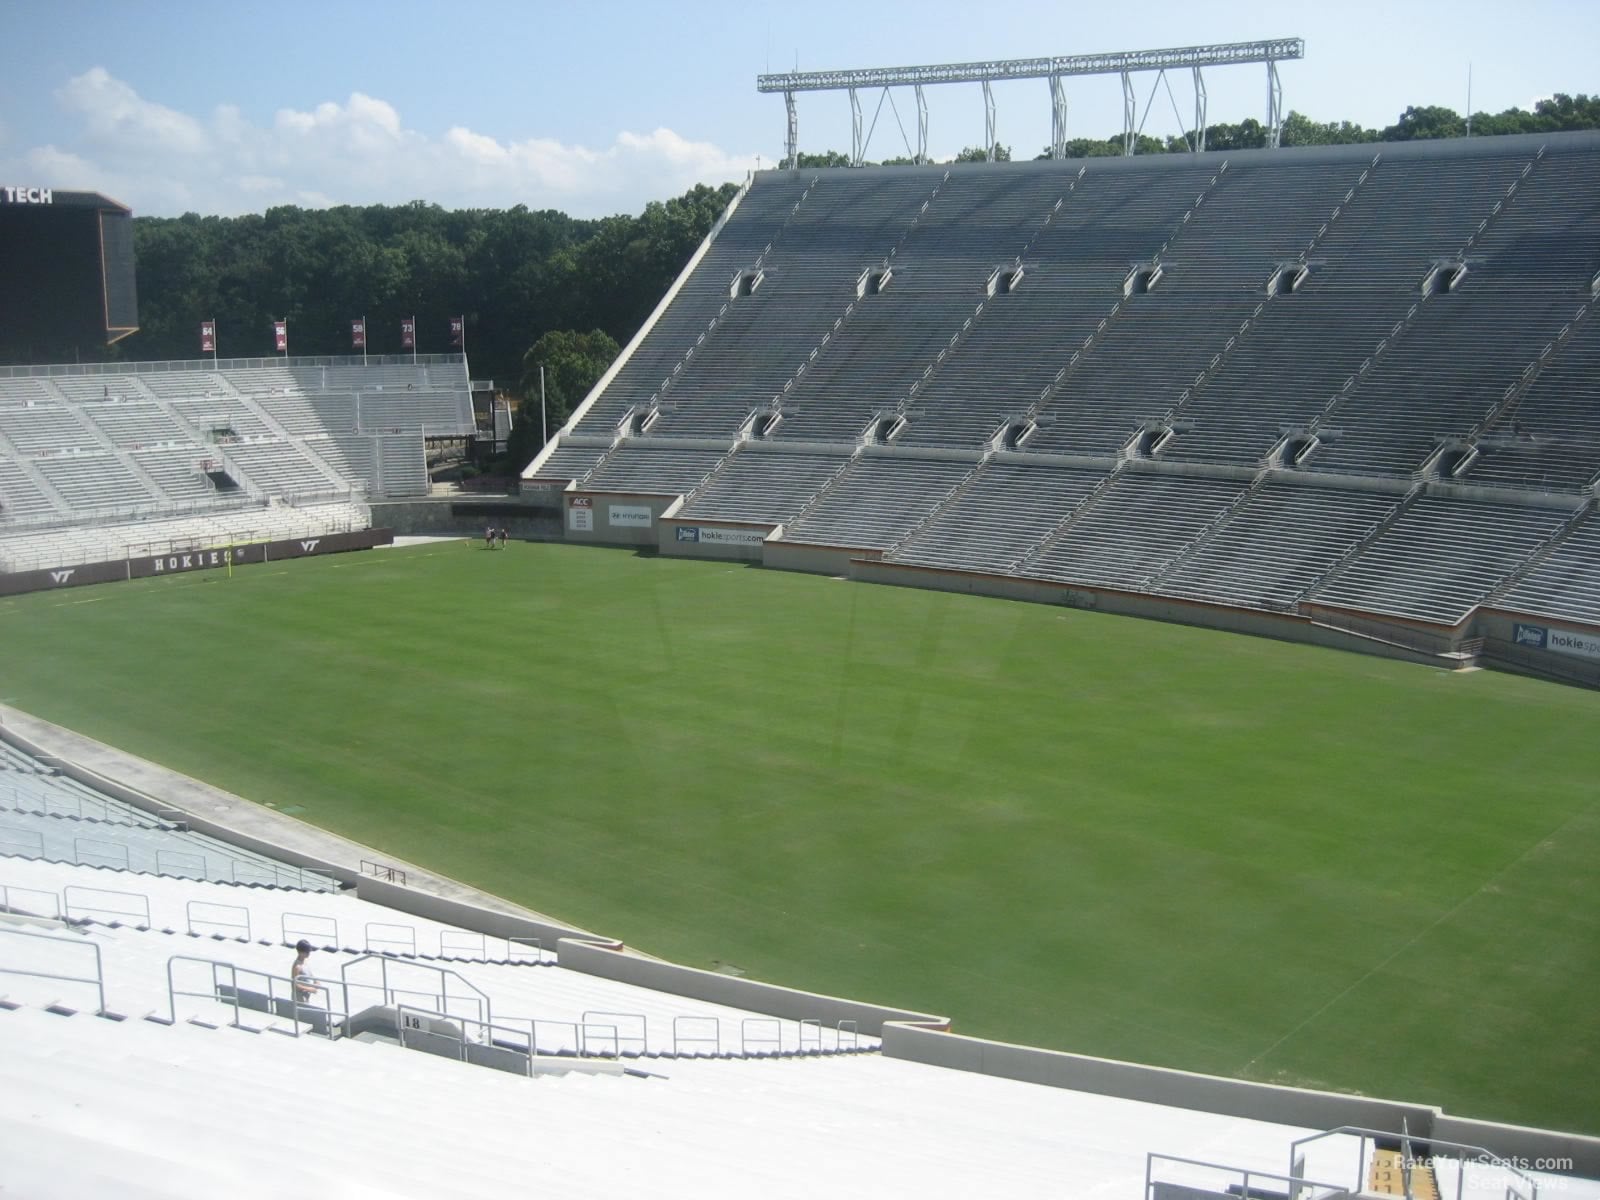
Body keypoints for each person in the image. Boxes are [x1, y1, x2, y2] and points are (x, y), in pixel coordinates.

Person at [291, 939, 319, 1004]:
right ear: (301, 952)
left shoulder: (305, 963)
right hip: (299, 999)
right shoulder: (297, 967)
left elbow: (311, 975)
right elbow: (295, 985)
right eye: (307, 952)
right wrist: (310, 989)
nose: (309, 953)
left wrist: (316, 982)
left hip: (306, 997)